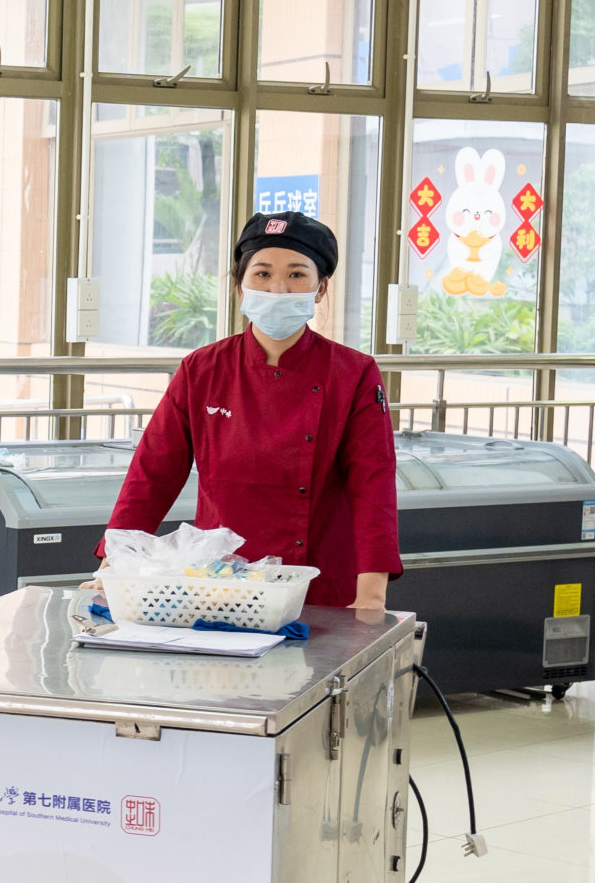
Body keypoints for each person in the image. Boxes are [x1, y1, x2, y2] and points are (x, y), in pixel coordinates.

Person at [99, 211, 399, 610]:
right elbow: (152, 473)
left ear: (321, 288)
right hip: (216, 581)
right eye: (262, 273)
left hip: (317, 582)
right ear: (240, 285)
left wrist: (372, 595)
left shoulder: (354, 373)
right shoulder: (202, 369)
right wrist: (112, 566)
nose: (278, 288)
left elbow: (373, 486)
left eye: (297, 275)